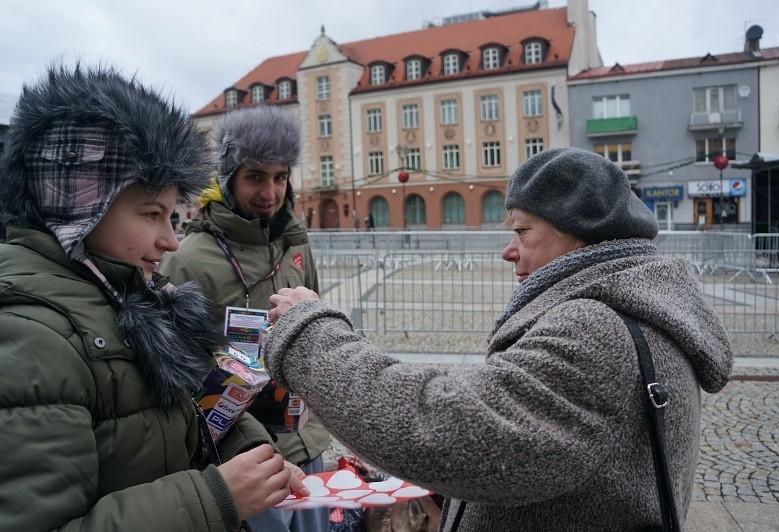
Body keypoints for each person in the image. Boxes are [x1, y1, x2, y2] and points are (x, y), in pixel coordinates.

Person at [263, 148, 734, 531]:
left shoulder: (597, 330)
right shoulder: (631, 304)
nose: (508, 250)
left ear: (581, 235)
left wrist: (311, 333)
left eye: (522, 231)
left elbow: (448, 430)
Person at [0, 63, 307, 531]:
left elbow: (193, 410)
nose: (171, 240)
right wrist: (216, 497)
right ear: (81, 207)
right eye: (151, 214)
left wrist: (250, 454)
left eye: (171, 215)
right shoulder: (29, 337)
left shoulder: (138, 294)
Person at [158, 105, 331, 532]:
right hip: (242, 455)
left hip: (306, 440)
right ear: (228, 179)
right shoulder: (187, 260)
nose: (270, 192)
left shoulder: (295, 245)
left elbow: (314, 326)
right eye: (255, 176)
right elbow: (172, 371)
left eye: (280, 177)